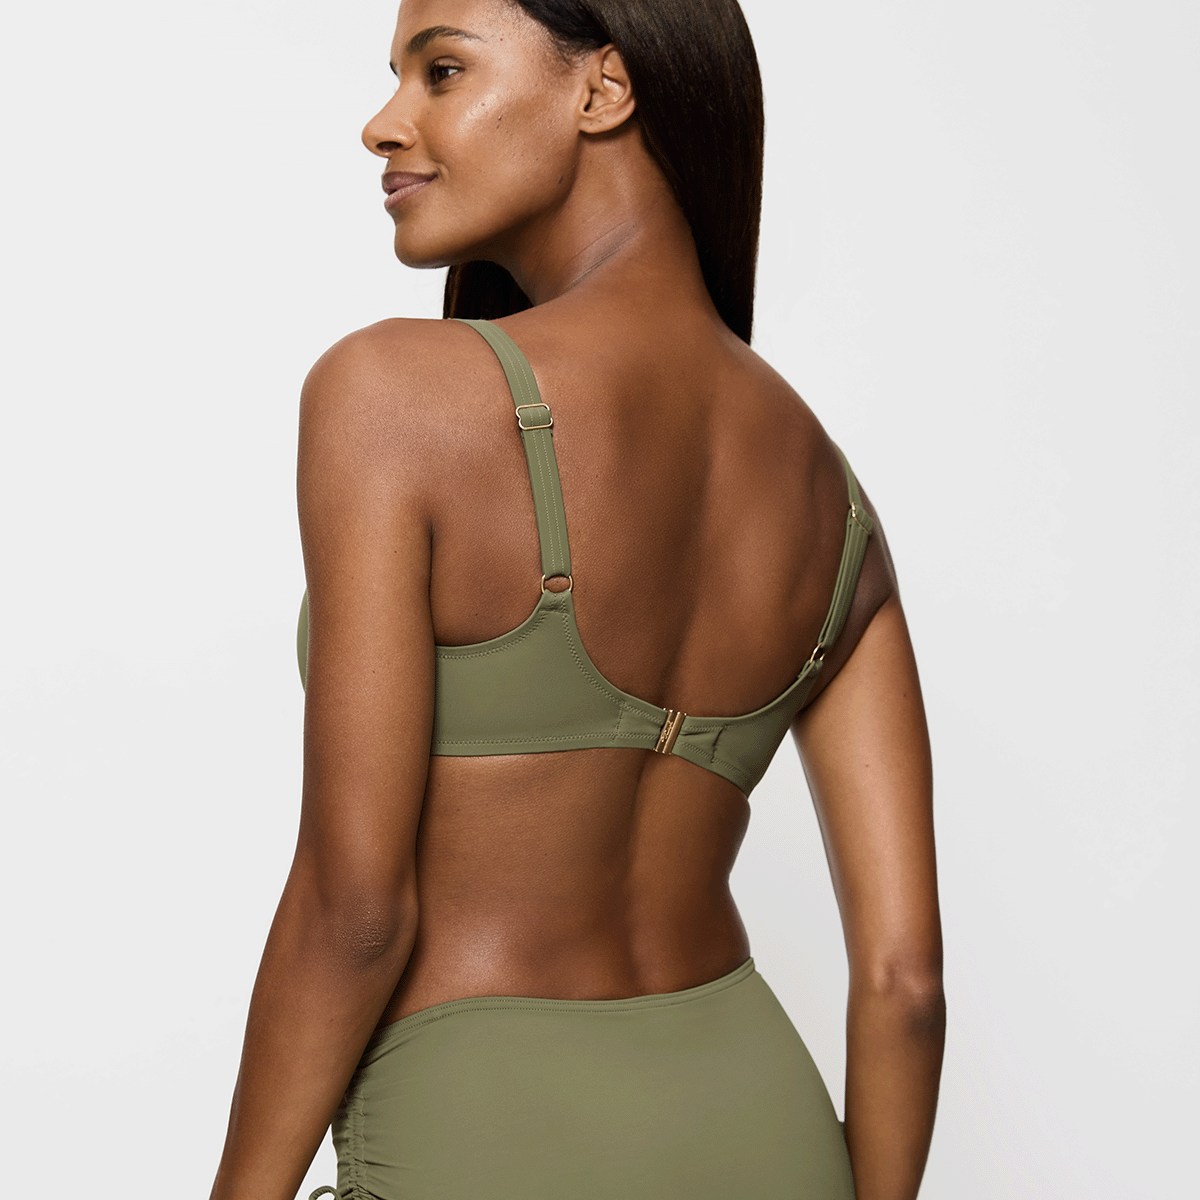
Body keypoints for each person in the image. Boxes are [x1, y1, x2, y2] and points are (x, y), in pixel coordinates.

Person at [208, 0, 944, 1197]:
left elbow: (356, 911)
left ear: (602, 91)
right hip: (765, 1130)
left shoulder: (389, 395)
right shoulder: (834, 499)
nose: (382, 124)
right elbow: (905, 980)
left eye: (442, 71)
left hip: (480, 1130)